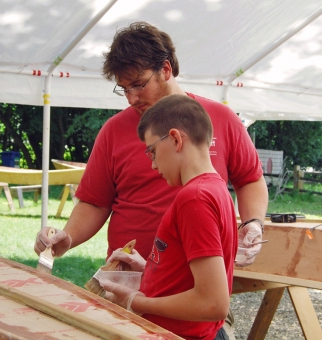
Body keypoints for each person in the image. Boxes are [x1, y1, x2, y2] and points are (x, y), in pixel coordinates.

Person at [34, 21, 268, 338]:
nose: (131, 98)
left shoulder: (219, 121)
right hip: (137, 281)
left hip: (186, 297)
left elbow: (251, 178)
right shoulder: (114, 130)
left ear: (166, 69)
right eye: (123, 88)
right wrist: (68, 237)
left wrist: (252, 222)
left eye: (138, 84)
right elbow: (94, 200)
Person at [100, 94, 238, 340]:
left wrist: (135, 302)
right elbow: (196, 274)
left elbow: (214, 303)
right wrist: (152, 269)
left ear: (175, 139)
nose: (153, 165)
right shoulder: (216, 189)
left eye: (152, 151)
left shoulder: (194, 198)